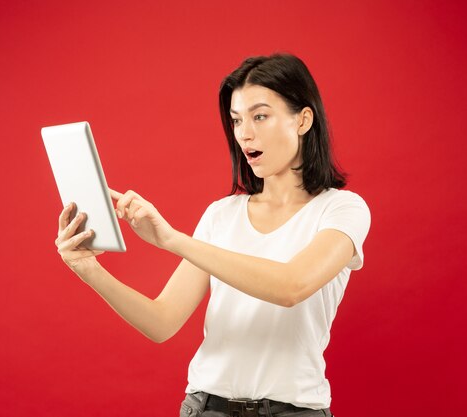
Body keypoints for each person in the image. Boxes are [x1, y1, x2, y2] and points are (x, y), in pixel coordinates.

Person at [54, 53, 371, 417]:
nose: (244, 133)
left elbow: (290, 287)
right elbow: (161, 321)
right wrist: (87, 268)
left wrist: (173, 240)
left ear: (303, 119)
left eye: (260, 116)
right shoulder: (222, 215)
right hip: (207, 408)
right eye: (237, 120)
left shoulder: (342, 210)